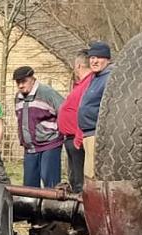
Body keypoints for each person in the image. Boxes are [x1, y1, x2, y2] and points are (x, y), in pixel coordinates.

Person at [12, 65, 65, 188]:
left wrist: (60, 132)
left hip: (50, 145)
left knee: (50, 186)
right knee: (29, 188)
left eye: (23, 81)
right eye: (18, 83)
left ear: (32, 79)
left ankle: (51, 207)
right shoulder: (18, 98)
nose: (20, 85)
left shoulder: (47, 92)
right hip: (30, 148)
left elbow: (64, 111)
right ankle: (31, 207)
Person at [76, 41, 114, 181]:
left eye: (99, 57)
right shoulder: (96, 78)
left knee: (93, 177)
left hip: (97, 134)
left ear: (107, 59)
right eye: (92, 58)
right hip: (88, 134)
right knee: (88, 176)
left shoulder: (109, 78)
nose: (94, 61)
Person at [57, 54, 91, 191]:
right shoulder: (81, 84)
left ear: (78, 66)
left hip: (77, 138)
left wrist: (79, 135)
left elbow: (85, 111)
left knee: (79, 181)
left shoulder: (88, 84)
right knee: (73, 178)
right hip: (70, 138)